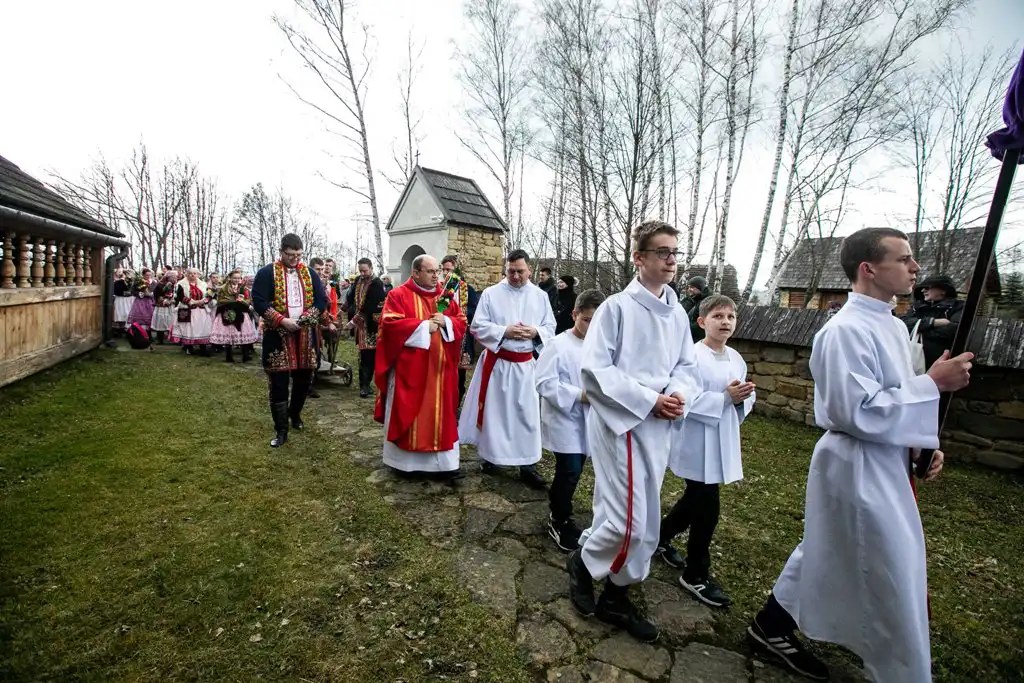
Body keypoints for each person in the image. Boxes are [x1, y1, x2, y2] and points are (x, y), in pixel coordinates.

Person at [746, 227, 973, 683]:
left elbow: (895, 396)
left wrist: (922, 446)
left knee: (832, 548)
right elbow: (855, 411)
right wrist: (932, 384)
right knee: (888, 562)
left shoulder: (892, 324)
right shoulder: (844, 331)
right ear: (869, 269)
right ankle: (898, 670)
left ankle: (769, 626)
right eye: (904, 259)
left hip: (885, 459)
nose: (915, 268)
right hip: (856, 462)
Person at [566, 220, 702, 644]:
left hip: (658, 426)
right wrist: (648, 400)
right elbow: (594, 371)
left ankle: (600, 577)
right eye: (662, 252)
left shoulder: (678, 312)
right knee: (638, 523)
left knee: (624, 511)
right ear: (638, 258)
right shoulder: (616, 309)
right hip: (624, 422)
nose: (671, 260)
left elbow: (687, 366)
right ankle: (598, 578)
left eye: (675, 253)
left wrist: (679, 395)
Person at [657, 294, 755, 609]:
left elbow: (742, 395)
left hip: (722, 436)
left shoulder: (736, 358)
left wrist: (740, 399)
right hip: (697, 438)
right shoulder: (692, 358)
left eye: (730, 316)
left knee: (694, 501)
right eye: (718, 316)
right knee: (707, 508)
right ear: (702, 322)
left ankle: (658, 537)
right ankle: (696, 573)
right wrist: (725, 398)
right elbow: (685, 399)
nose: (725, 322)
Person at [458, 249, 556, 489]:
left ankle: (527, 465)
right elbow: (478, 326)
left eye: (520, 271)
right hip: (498, 364)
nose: (515, 276)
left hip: (525, 365)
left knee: (527, 415)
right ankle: (492, 458)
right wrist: (505, 331)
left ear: (529, 271)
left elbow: (550, 327)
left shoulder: (540, 296)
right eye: (511, 271)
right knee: (496, 414)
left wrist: (535, 332)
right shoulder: (491, 294)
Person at [374, 254, 467, 480]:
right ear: (415, 273)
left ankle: (445, 465)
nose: (437, 276)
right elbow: (390, 325)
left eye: (438, 271)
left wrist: (446, 322)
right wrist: (425, 327)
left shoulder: (446, 296)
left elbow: (461, 320)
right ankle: (406, 464)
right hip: (410, 370)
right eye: (430, 271)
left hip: (441, 371)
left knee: (442, 416)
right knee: (411, 414)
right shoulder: (398, 295)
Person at [537, 288, 606, 552]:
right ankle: (559, 518)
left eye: (597, 321)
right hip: (564, 418)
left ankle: (562, 513)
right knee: (569, 470)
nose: (592, 326)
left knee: (576, 470)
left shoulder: (601, 347)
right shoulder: (558, 345)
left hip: (592, 421)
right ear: (575, 314)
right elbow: (544, 382)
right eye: (587, 320)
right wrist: (579, 396)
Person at [252, 233, 327, 448]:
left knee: (304, 379)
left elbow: (321, 301)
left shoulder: (310, 273)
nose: (295, 259)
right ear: (281, 251)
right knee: (279, 381)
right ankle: (281, 429)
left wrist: (305, 319)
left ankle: (295, 414)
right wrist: (281, 320)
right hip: (278, 333)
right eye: (290, 255)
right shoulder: (267, 273)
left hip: (305, 334)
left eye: (299, 255)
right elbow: (258, 300)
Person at [901, 274, 964, 370]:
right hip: (913, 363)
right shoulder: (917, 307)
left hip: (945, 364)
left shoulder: (958, 307)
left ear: (943, 290)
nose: (923, 291)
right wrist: (932, 322)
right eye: (922, 288)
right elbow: (903, 324)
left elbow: (955, 330)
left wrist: (920, 329)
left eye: (927, 287)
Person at [345, 258, 388, 398]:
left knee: (369, 355)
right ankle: (364, 384)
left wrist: (353, 322)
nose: (362, 273)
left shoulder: (377, 284)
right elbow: (350, 297)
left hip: (371, 325)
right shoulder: (358, 280)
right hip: (360, 325)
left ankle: (365, 385)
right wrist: (342, 310)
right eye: (360, 270)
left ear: (371, 268)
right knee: (363, 354)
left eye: (365, 270)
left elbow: (369, 307)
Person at [440, 255, 479, 407]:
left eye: (448, 269)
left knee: (459, 375)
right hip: (444, 335)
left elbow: (474, 309)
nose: (446, 273)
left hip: (462, 336)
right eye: (443, 270)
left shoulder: (466, 289)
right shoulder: (442, 288)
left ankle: (455, 405)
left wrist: (459, 316)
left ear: (456, 269)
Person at [210, 269, 258, 363]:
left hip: (241, 313)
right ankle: (229, 356)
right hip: (228, 313)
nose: (236, 280)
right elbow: (220, 301)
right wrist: (233, 301)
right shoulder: (223, 288)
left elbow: (248, 300)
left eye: (238, 278)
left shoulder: (243, 288)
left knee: (242, 332)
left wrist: (242, 301)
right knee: (229, 333)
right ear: (230, 277)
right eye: (234, 278)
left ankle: (245, 355)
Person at [172, 268, 213, 356]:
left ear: (198, 275)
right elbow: (179, 296)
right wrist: (192, 302)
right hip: (188, 309)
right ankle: (189, 348)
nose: (193, 275)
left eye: (195, 273)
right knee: (189, 329)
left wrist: (202, 301)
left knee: (202, 328)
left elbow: (209, 295)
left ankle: (203, 348)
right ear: (187, 274)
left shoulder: (203, 284)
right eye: (190, 273)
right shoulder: (181, 284)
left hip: (201, 310)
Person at [150, 270, 178, 344]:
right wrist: (164, 299)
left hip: (170, 306)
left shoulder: (174, 285)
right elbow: (157, 295)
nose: (174, 279)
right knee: (161, 322)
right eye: (173, 277)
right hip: (161, 306)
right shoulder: (160, 284)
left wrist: (172, 299)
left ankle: (173, 339)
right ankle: (160, 339)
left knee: (171, 321)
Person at [681, 275, 711, 342]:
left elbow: (705, 321)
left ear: (700, 287)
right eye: (689, 287)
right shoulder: (694, 299)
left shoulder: (708, 301)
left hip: (699, 339)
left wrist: (688, 329)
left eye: (692, 287)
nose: (689, 290)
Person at [112, 268, 134, 335]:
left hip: (129, 300)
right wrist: (126, 293)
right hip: (121, 300)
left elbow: (134, 290)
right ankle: (120, 330)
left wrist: (131, 293)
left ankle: (128, 329)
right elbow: (116, 291)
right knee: (120, 314)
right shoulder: (118, 282)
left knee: (128, 314)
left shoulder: (133, 282)